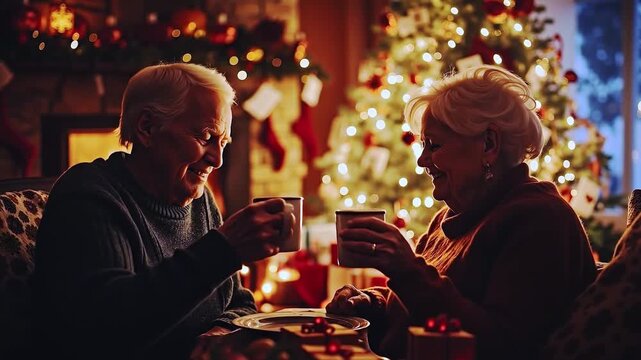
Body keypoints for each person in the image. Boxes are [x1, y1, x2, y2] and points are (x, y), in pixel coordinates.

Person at [326, 65, 596, 359]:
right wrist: (370, 305)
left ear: (488, 144)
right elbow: (417, 314)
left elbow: (501, 344)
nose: (421, 160)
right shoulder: (449, 218)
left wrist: (406, 270)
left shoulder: (541, 220)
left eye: (434, 145)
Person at [32, 63, 293, 359]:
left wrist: (219, 333)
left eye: (223, 142)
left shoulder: (201, 201)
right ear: (147, 127)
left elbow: (239, 304)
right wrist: (223, 249)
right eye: (206, 137)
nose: (218, 160)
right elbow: (108, 328)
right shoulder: (88, 195)